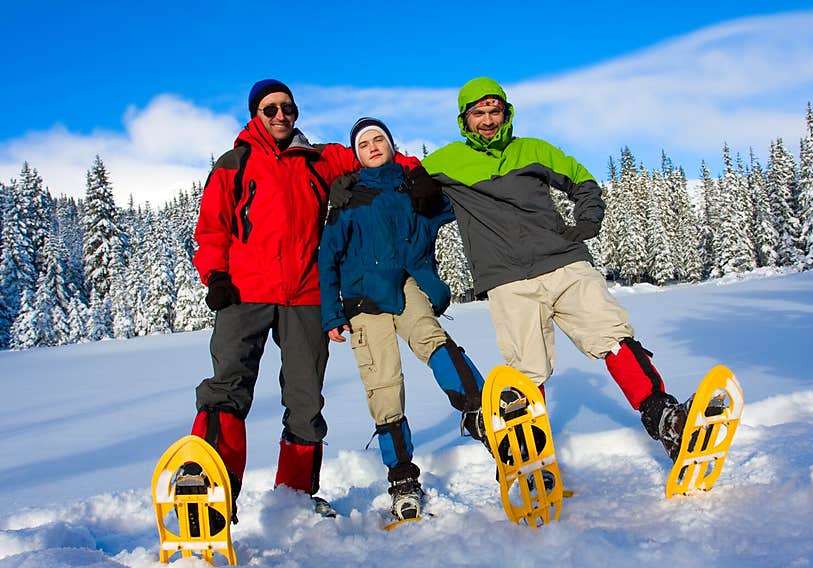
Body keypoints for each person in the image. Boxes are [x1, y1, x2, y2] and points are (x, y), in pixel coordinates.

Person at [413, 76, 697, 461]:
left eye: (494, 110)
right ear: (465, 119)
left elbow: (583, 181)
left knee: (612, 336)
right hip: (507, 281)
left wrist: (585, 223)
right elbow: (395, 184)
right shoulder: (445, 162)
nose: (487, 119)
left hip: (563, 264)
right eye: (478, 112)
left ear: (505, 112)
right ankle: (531, 454)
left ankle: (664, 417)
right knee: (527, 371)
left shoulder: (534, 150)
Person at [189, 80, 422, 525]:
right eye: (270, 108)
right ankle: (209, 489)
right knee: (227, 387)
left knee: (305, 398)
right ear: (255, 113)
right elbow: (212, 227)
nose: (280, 116)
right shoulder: (233, 164)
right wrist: (215, 275)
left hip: (307, 295)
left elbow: (374, 155)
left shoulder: (320, 158)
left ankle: (294, 496)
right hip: (245, 292)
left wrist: (415, 173)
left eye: (287, 108)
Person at [318, 117, 486, 521]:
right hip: (361, 299)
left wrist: (433, 189)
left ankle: (481, 413)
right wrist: (330, 314)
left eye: (379, 139)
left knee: (432, 338)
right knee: (383, 383)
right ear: (355, 155)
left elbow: (458, 204)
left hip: (406, 285)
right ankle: (402, 476)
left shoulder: (411, 187)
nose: (373, 146)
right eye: (364, 143)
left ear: (393, 146)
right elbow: (327, 258)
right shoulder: (349, 197)